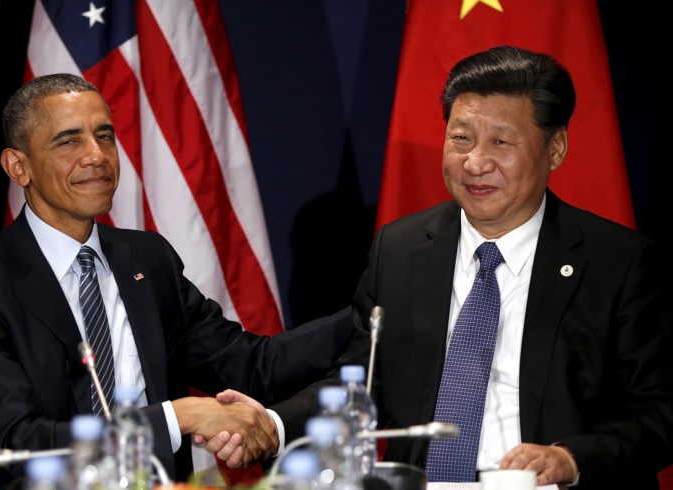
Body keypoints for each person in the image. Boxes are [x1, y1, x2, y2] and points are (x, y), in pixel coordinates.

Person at [0, 73, 353, 490]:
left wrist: (376, 308)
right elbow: (17, 444)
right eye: (69, 141)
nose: (98, 155)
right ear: (19, 166)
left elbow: (252, 366)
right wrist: (178, 417)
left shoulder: (148, 259)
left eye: (105, 136)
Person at [269, 45, 673, 489]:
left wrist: (571, 458)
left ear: (554, 149)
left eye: (501, 142)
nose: (475, 162)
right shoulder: (400, 249)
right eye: (461, 139)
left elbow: (659, 410)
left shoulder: (618, 262)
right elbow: (363, 383)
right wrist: (271, 423)